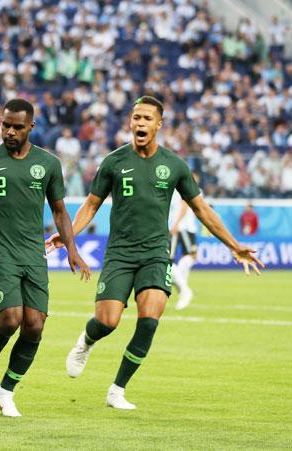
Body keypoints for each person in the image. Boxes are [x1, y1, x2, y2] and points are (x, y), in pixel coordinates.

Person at [46, 96, 264, 410]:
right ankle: (87, 340)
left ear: (158, 124)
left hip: (156, 254)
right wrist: (68, 236)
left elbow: (201, 208)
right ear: (130, 122)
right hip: (120, 253)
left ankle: (117, 390)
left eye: (147, 119)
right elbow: (91, 204)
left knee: (149, 321)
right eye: (136, 118)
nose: (140, 123)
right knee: (107, 321)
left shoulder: (173, 165)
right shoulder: (114, 162)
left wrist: (233, 245)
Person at [0, 98, 90, 417]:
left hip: (35, 254)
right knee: (10, 318)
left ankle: (5, 392)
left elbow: (60, 211)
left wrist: (72, 248)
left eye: (17, 127)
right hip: (0, 252)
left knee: (34, 325)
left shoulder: (48, 164)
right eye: (5, 125)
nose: (10, 131)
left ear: (31, 127)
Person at [169, 172, 200, 310]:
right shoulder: (182, 189)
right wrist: (176, 224)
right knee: (169, 261)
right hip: (181, 228)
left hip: (188, 228)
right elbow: (184, 206)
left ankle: (183, 288)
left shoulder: (193, 190)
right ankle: (184, 290)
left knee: (189, 257)